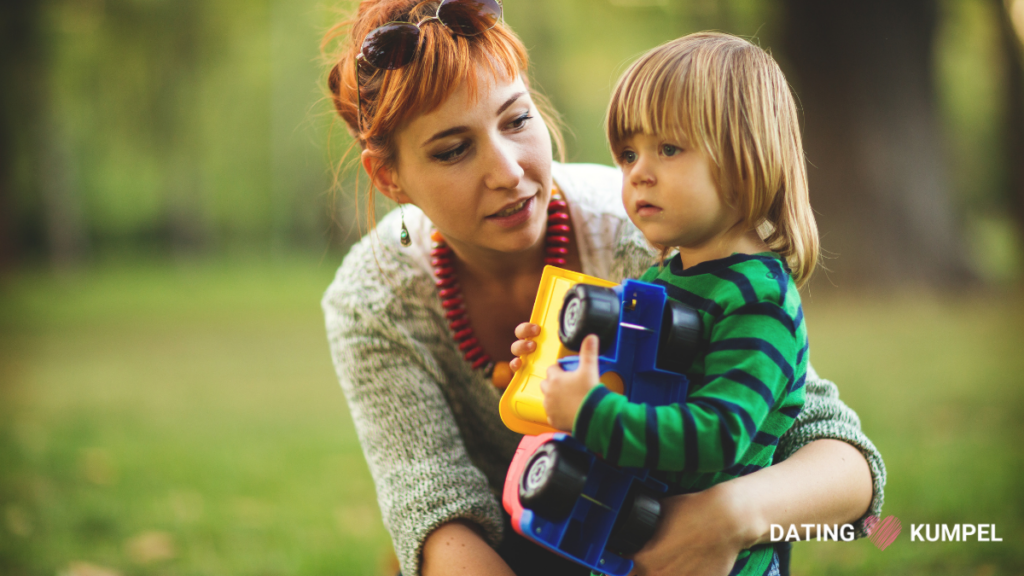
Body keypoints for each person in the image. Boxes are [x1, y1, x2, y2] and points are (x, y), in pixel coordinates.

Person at [320, 2, 886, 576]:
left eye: (516, 120)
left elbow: (837, 457)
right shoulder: (373, 303)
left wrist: (729, 514)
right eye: (453, 150)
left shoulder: (653, 233)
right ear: (388, 176)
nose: (509, 171)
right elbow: (432, 504)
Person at [530, 32, 815, 576]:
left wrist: (592, 412)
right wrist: (556, 362)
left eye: (668, 149)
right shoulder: (665, 275)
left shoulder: (759, 301)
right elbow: (634, 380)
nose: (638, 171)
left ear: (746, 156)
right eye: (628, 154)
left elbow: (720, 433)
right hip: (638, 544)